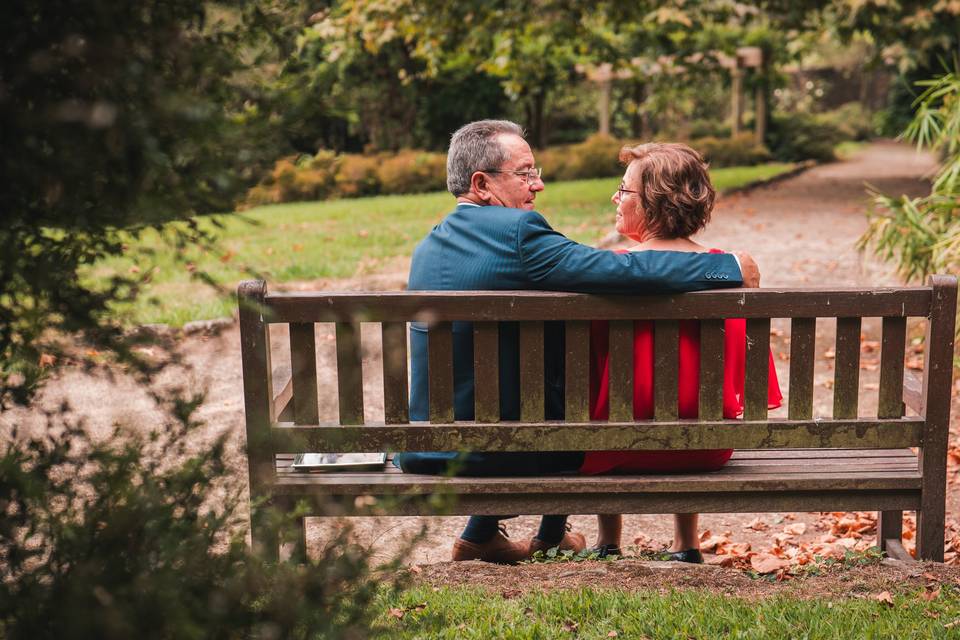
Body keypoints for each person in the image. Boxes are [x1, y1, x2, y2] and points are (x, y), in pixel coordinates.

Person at [393, 120, 760, 564]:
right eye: (525, 173)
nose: (539, 184)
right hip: (509, 453)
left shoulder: (429, 246)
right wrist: (727, 268)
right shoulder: (518, 235)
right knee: (579, 397)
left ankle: (494, 533)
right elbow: (625, 272)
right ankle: (549, 532)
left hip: (426, 451)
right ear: (482, 183)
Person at [584, 142, 783, 562]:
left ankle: (607, 540)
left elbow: (587, 373)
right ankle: (686, 543)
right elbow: (750, 374)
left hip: (615, 449)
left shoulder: (609, 271)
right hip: (705, 448)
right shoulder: (727, 270)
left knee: (603, 400)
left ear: (654, 204)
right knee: (693, 400)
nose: (615, 198)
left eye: (624, 190)